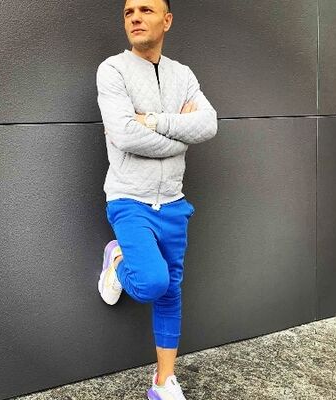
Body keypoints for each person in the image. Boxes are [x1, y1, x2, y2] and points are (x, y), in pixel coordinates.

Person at [96, 0, 218, 398]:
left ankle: (164, 380)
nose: (135, 17)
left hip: (174, 202)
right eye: (129, 11)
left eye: (146, 10)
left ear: (166, 20)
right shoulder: (113, 70)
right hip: (129, 199)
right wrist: (181, 136)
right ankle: (117, 260)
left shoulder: (183, 74)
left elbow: (208, 124)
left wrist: (151, 120)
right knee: (151, 283)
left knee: (170, 292)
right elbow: (124, 134)